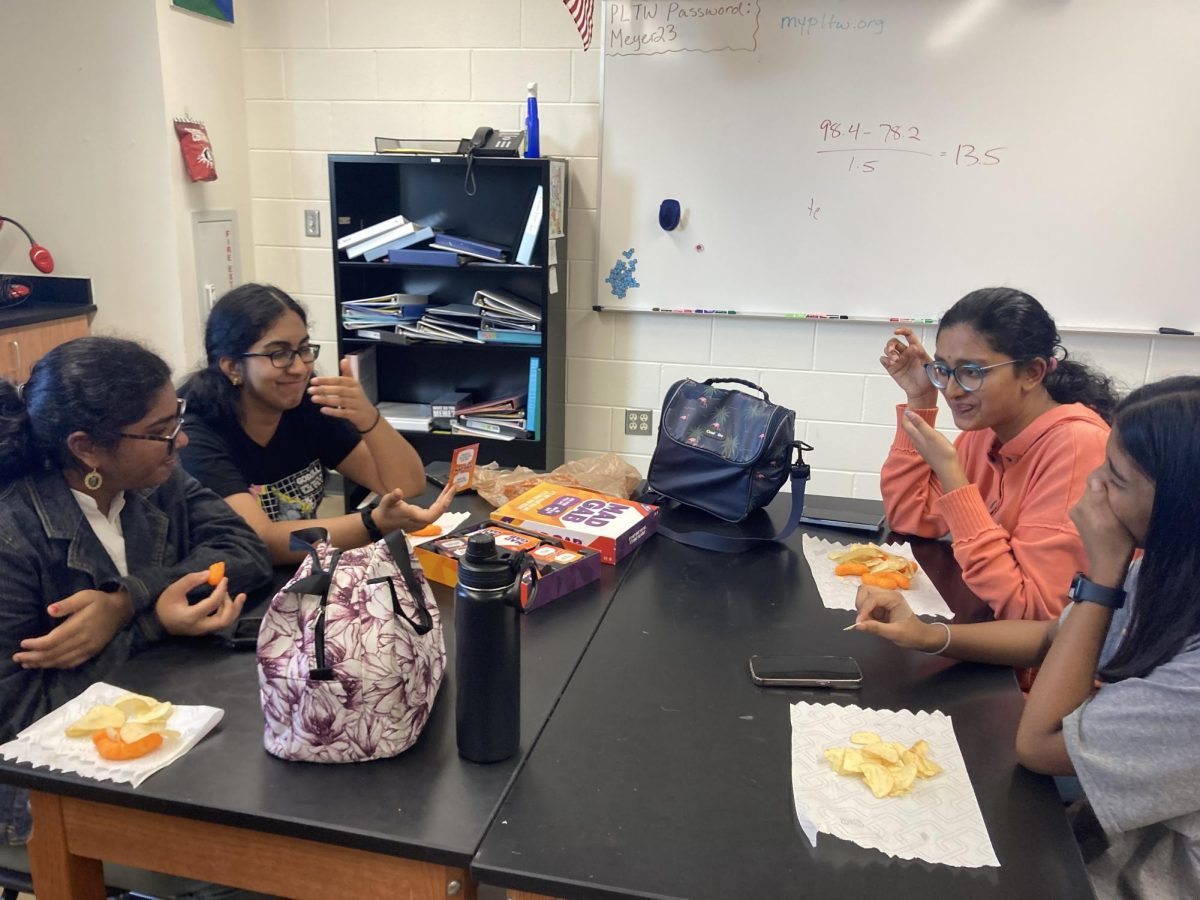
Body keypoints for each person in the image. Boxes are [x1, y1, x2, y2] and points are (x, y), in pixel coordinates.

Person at [854, 375, 1200, 899]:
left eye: (1115, 478)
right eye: (942, 371)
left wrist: (1103, 577)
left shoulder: (1068, 452)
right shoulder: (1166, 568)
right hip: (1101, 822)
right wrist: (931, 636)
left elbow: (1040, 744)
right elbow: (1055, 633)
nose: (1092, 488)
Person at [0, 336, 273, 843]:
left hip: (167, 733)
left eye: (177, 420)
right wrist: (151, 622)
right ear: (86, 449)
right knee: (263, 855)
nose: (181, 442)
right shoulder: (11, 537)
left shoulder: (150, 474)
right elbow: (20, 726)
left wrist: (129, 597)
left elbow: (242, 545)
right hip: (49, 798)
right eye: (160, 431)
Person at [879, 287, 1117, 621]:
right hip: (992, 630)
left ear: (1032, 373)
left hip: (1044, 665)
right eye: (944, 369)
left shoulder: (1077, 447)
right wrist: (920, 399)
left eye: (972, 372)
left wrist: (953, 477)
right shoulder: (990, 427)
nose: (951, 389)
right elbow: (911, 518)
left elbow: (1034, 612)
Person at [178, 284, 454, 563]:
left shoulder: (308, 405)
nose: (299, 368)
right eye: (279, 354)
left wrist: (368, 417)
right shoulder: (194, 436)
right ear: (232, 367)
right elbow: (260, 540)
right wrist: (373, 522)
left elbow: (407, 484)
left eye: (304, 349)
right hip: (230, 589)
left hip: (300, 573)